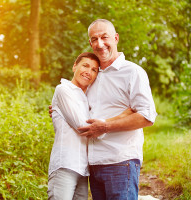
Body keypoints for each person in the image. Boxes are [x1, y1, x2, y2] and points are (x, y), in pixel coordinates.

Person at [76, 19, 158, 200]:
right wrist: (59, 108)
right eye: (94, 39)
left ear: (116, 38)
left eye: (104, 37)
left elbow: (147, 116)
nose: (100, 44)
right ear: (90, 43)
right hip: (93, 164)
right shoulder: (91, 75)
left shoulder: (133, 72)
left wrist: (105, 127)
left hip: (121, 161)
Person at [47, 52, 134, 200]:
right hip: (65, 164)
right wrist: (123, 116)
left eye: (94, 70)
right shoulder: (63, 90)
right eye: (85, 66)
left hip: (82, 169)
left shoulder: (86, 98)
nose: (89, 72)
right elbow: (83, 127)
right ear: (75, 66)